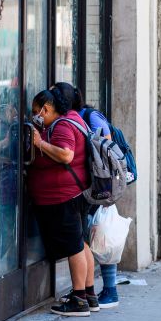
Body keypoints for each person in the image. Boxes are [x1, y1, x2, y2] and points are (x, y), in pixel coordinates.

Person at [28, 89, 98, 317]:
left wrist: (39, 143)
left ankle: (78, 300)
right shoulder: (73, 118)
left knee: (73, 247)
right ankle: (88, 295)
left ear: (46, 109)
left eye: (35, 112)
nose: (34, 116)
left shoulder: (62, 126)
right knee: (81, 243)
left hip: (63, 197)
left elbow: (66, 155)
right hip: (74, 194)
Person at [51, 82, 120, 309]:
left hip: (97, 184)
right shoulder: (77, 117)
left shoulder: (87, 116)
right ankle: (90, 294)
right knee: (87, 237)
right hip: (88, 185)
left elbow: (107, 148)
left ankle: (106, 289)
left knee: (98, 232)